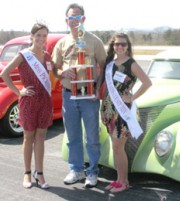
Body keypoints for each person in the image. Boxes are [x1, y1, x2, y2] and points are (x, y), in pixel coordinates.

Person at [51, 3, 106, 188]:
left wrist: (97, 88)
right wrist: (62, 73)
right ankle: (76, 170)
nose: (74, 21)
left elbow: (103, 66)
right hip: (69, 95)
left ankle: (92, 171)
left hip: (89, 96)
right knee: (73, 136)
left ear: (83, 19)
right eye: (71, 18)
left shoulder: (94, 41)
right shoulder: (62, 43)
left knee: (92, 137)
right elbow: (55, 68)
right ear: (66, 21)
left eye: (77, 17)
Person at [0, 23, 52, 189]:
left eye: (44, 36)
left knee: (41, 137)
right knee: (28, 137)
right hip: (29, 101)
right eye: (38, 35)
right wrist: (18, 91)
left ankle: (40, 173)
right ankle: (27, 173)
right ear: (32, 36)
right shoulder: (23, 55)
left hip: (44, 101)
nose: (41, 39)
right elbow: (4, 74)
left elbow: (54, 73)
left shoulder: (47, 56)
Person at [101, 33, 152, 193]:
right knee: (115, 147)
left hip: (122, 112)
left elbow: (147, 82)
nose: (120, 47)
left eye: (123, 44)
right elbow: (106, 86)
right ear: (113, 46)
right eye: (116, 44)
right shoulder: (111, 63)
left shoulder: (131, 64)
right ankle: (118, 180)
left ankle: (124, 182)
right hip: (109, 110)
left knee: (118, 147)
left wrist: (132, 97)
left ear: (128, 46)